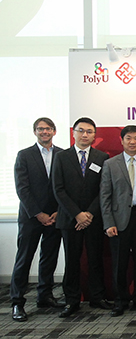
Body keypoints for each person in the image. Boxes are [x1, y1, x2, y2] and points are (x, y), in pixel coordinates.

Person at [53, 117, 110, 318]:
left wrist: (89, 214)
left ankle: (97, 297)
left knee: (95, 259)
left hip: (94, 219)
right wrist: (77, 214)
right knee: (72, 260)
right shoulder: (61, 157)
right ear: (73, 132)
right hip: (70, 219)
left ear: (94, 135)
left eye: (89, 132)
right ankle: (71, 300)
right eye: (81, 131)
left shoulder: (102, 157)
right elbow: (58, 189)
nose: (85, 135)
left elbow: (104, 189)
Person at [10, 118, 64, 322]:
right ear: (35, 132)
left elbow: (63, 186)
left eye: (48, 129)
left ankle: (45, 296)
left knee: (49, 258)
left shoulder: (62, 154)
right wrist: (37, 213)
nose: (44, 132)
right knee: (24, 259)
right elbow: (22, 188)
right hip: (31, 217)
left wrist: (58, 211)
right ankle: (17, 302)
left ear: (54, 131)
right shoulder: (24, 155)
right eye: (41, 129)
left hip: (55, 216)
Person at [99, 125, 136, 316]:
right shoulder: (110, 164)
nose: (132, 142)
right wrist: (108, 223)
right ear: (122, 140)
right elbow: (104, 196)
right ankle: (120, 300)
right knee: (119, 263)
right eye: (128, 138)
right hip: (119, 221)